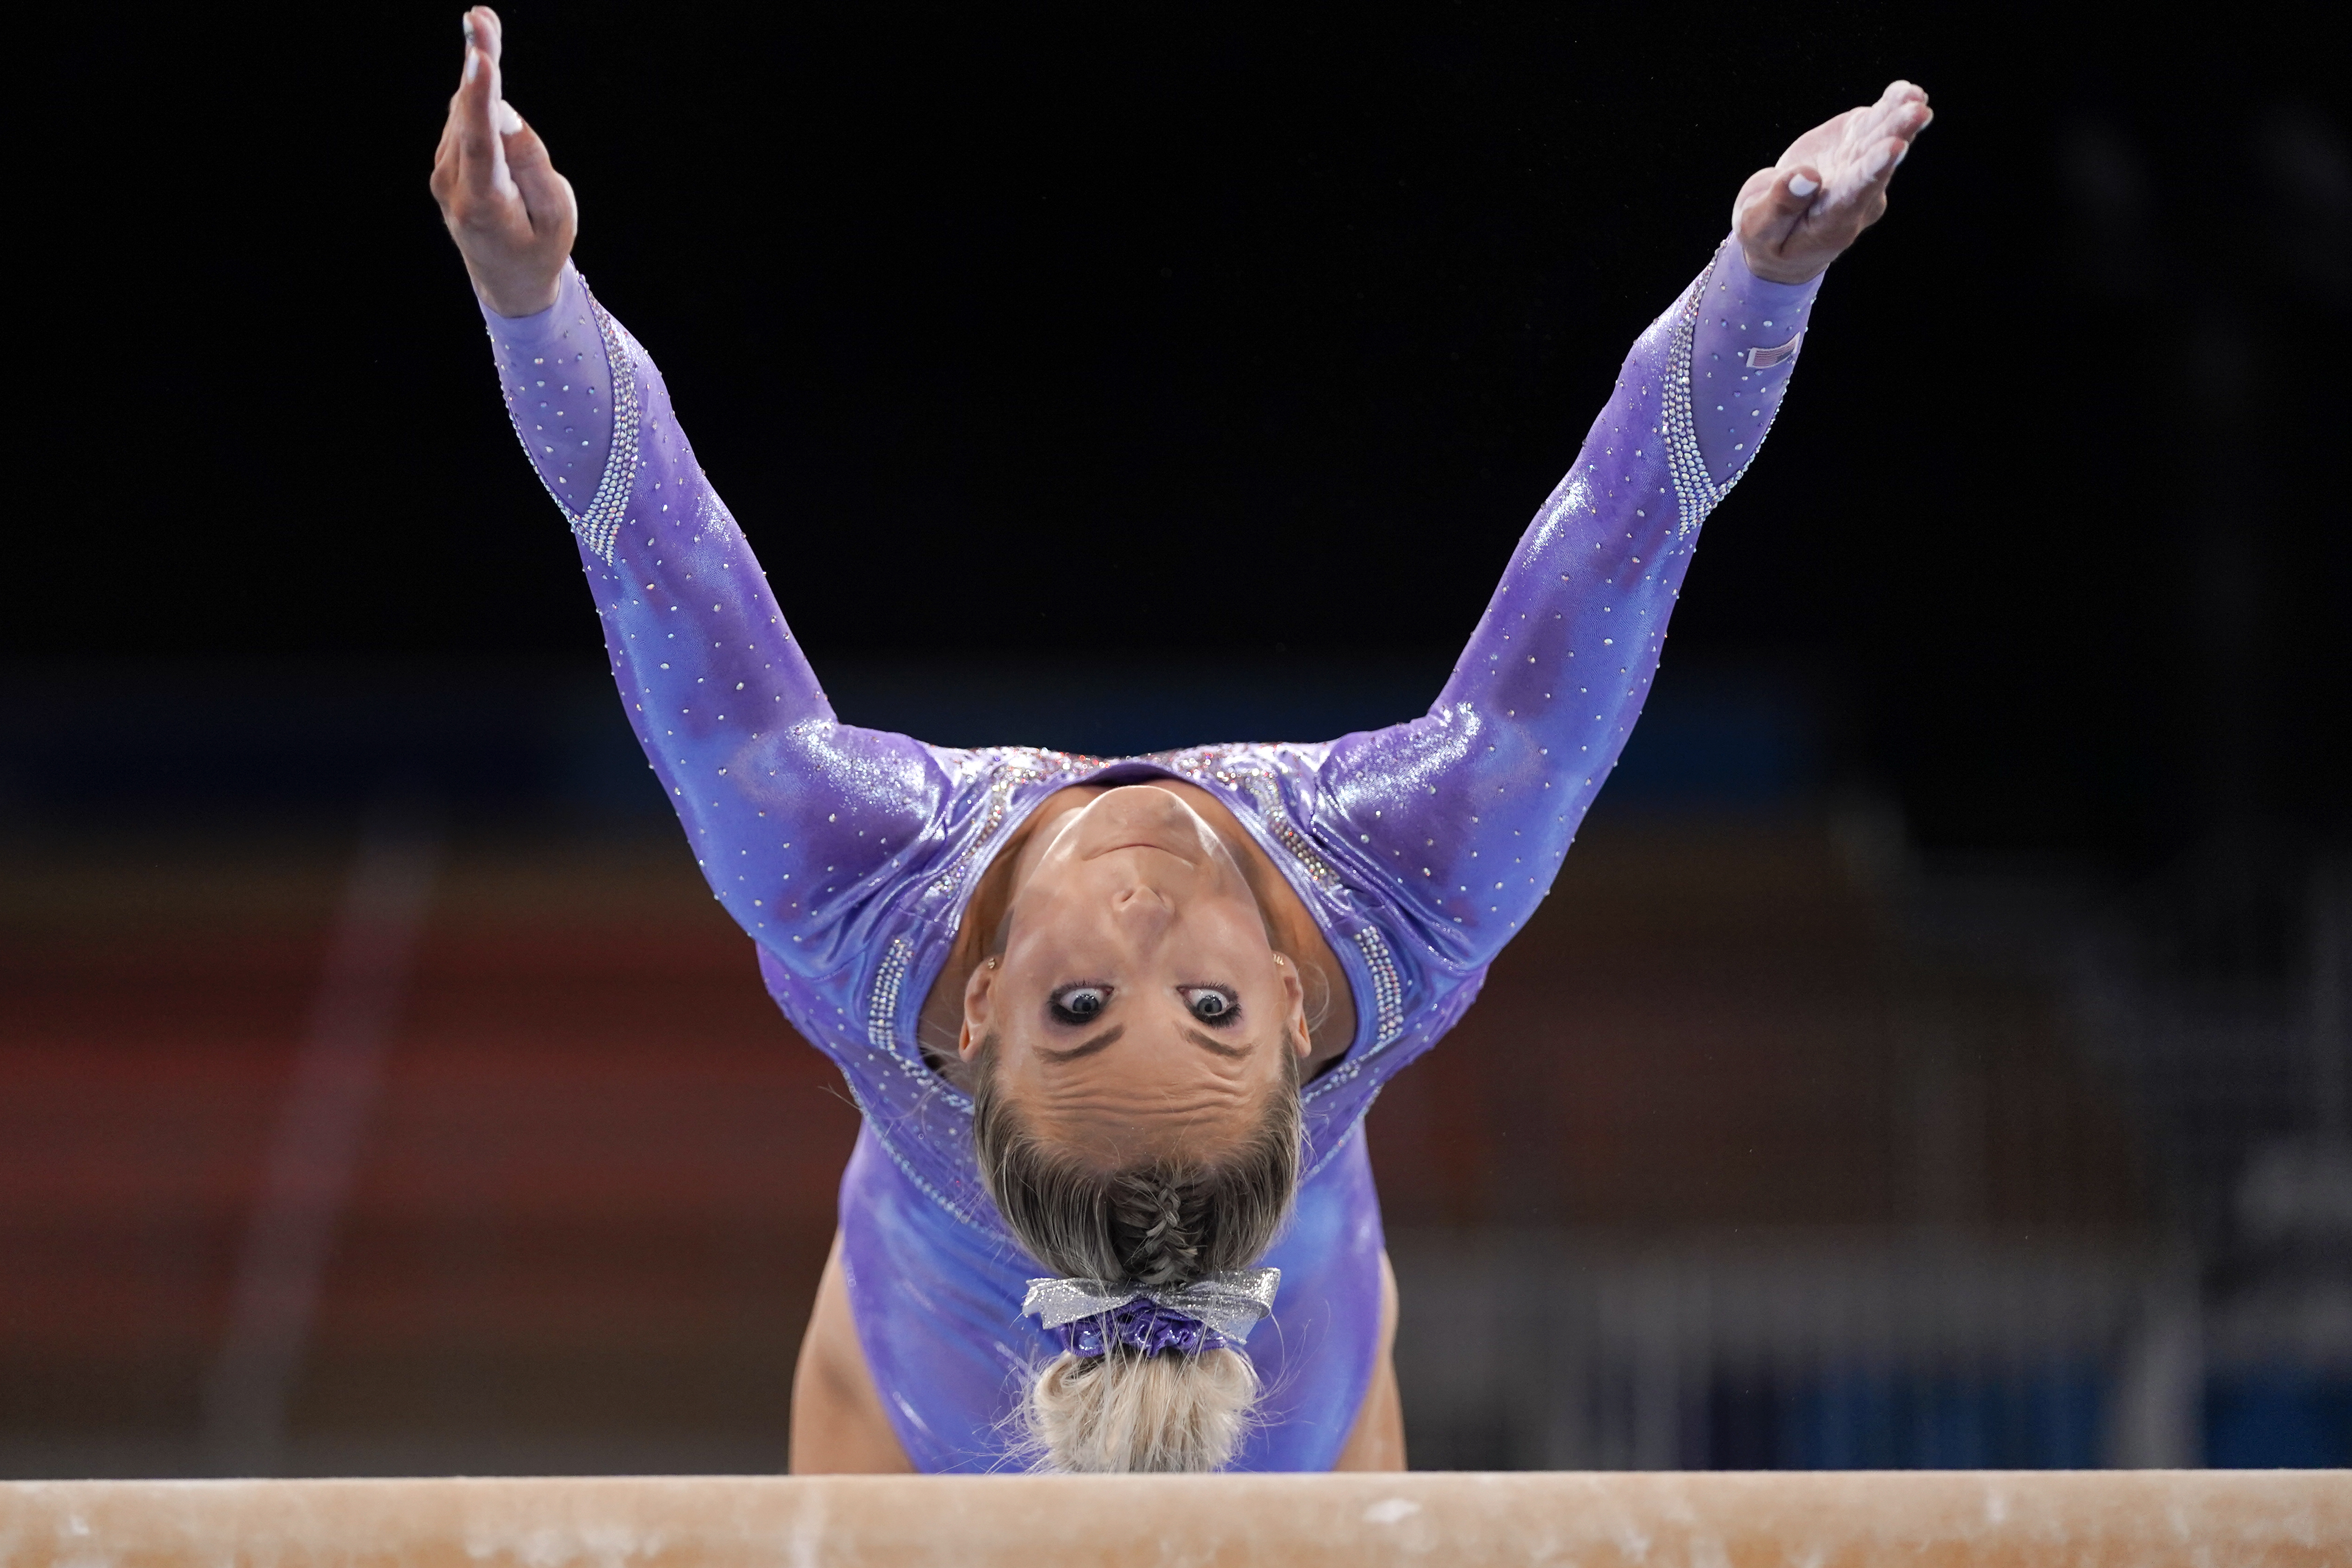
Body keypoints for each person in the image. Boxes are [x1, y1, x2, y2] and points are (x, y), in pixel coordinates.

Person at [430, 6, 1930, 1474]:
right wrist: (1763, 284)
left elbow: (655, 546)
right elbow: (1623, 536)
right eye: (1209, 1010)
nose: (1146, 930)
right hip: (1290, 1398)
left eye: (1081, 1006)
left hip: (927, 1384)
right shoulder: (1418, 890)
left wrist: (530, 303)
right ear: (1292, 1008)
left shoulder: (846, 892)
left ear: (979, 1014)